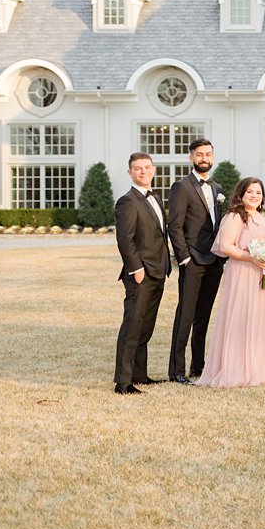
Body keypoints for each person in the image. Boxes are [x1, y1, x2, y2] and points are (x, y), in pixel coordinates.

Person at [199, 177, 265, 387]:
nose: (255, 196)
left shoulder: (264, 218)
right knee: (245, 317)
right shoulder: (234, 217)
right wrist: (253, 258)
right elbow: (226, 246)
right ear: (241, 194)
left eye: (258, 192)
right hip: (245, 273)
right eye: (250, 192)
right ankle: (241, 367)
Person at [166, 137, 225, 385]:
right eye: (199, 154)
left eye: (208, 154)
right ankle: (176, 370)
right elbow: (175, 226)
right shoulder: (181, 187)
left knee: (203, 316)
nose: (204, 158)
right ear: (191, 158)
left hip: (214, 262)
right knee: (186, 315)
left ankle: (198, 366)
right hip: (193, 261)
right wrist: (185, 258)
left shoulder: (218, 188)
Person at [113, 151, 171, 394]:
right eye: (138, 168)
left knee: (145, 326)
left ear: (153, 170)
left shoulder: (155, 199)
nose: (144, 171)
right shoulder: (127, 201)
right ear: (130, 173)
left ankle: (140, 374)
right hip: (141, 273)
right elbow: (125, 240)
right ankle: (123, 382)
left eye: (147, 167)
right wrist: (136, 269)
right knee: (132, 325)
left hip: (158, 271)